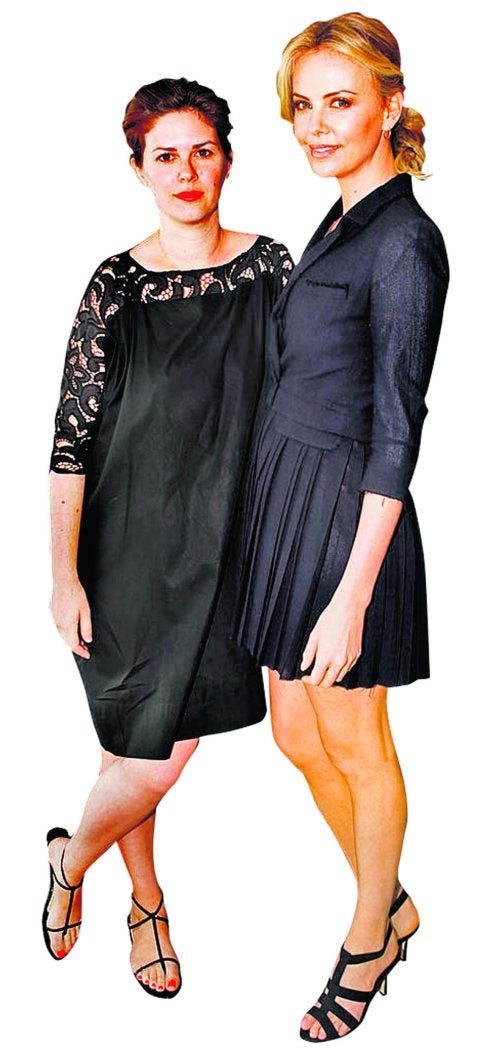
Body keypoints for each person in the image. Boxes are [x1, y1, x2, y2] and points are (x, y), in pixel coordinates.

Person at [44, 76, 292, 998]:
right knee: (143, 750)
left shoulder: (270, 270)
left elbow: (303, 407)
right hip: (125, 556)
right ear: (139, 169)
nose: (186, 172)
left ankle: (77, 861)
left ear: (226, 159)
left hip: (229, 552)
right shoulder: (115, 286)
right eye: (165, 156)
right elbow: (70, 442)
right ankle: (138, 899)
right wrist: (63, 576)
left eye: (202, 151)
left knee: (142, 752)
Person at [234, 12, 448, 1042]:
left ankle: (370, 937)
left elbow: (399, 428)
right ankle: (389, 896)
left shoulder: (405, 240)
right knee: (292, 729)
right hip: (290, 499)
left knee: (357, 739)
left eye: (340, 102)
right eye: (303, 104)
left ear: (389, 105)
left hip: (349, 516)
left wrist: (353, 592)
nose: (315, 124)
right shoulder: (341, 216)